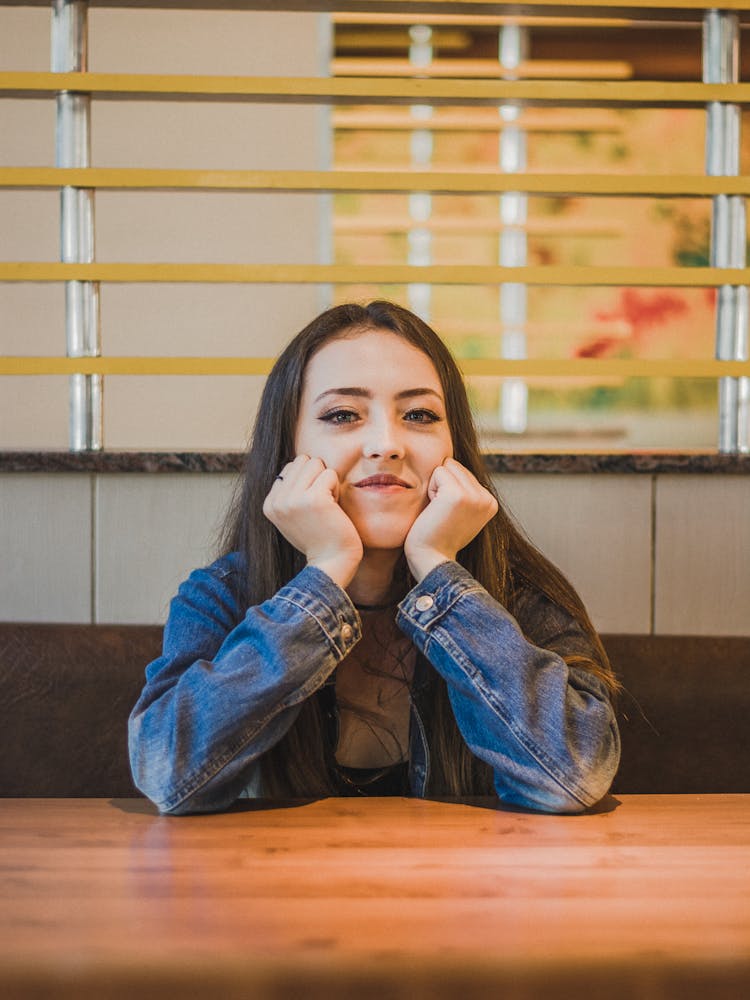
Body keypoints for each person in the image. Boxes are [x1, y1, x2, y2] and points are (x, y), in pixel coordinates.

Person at [128, 300, 620, 815]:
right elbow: (167, 773)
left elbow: (577, 777)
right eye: (342, 415)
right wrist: (325, 573)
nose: (386, 444)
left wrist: (438, 570)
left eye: (419, 415)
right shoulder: (221, 596)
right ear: (288, 447)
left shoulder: (520, 598)